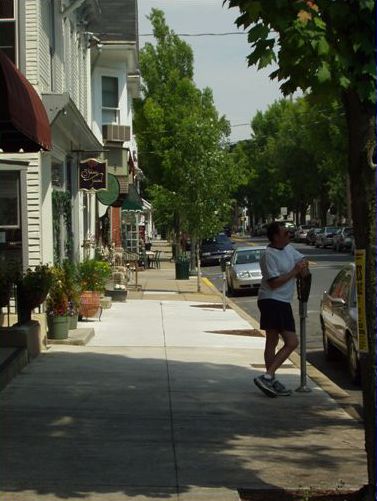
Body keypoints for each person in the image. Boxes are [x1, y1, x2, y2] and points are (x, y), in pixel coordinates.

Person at [254, 221, 309, 398]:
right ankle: (268, 376)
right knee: (292, 342)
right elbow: (274, 283)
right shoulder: (268, 255)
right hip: (272, 300)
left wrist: (302, 269)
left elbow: (303, 262)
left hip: (282, 301)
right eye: (285, 233)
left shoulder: (289, 249)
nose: (289, 235)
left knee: (272, 340)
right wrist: (295, 271)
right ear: (276, 237)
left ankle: (271, 379)